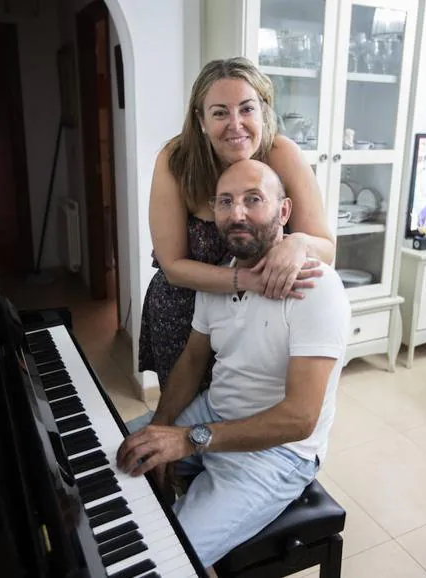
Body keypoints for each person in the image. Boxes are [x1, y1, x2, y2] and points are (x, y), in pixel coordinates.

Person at [117, 159, 350, 568]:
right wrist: (163, 426)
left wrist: (188, 440)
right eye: (225, 201)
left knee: (161, 560)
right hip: (214, 413)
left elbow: (300, 419)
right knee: (105, 459)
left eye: (253, 199)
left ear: (284, 211)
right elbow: (192, 358)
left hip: (278, 455)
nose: (236, 212)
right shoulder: (221, 278)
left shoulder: (316, 287)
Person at [138, 56, 335, 400]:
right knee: (185, 420)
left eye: (246, 109)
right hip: (185, 313)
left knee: (252, 418)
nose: (236, 124)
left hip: (262, 316)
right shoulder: (176, 160)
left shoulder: (283, 155)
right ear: (200, 119)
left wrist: (299, 243)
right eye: (219, 113)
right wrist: (248, 280)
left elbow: (327, 249)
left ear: (264, 111)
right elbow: (172, 266)